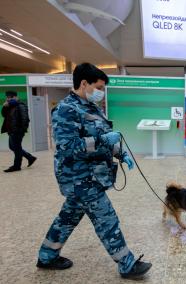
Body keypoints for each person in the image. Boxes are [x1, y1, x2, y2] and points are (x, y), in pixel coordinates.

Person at [36, 63, 152, 279]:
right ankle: (127, 264)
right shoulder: (66, 109)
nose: (101, 92)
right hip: (79, 177)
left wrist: (120, 152)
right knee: (106, 219)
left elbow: (105, 136)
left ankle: (47, 256)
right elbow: (67, 147)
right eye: (99, 87)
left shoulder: (92, 108)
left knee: (67, 217)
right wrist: (100, 140)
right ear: (84, 83)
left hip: (93, 175)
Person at [1, 90, 37, 172]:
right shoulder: (10, 106)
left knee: (16, 148)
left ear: (15, 97)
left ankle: (17, 166)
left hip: (17, 131)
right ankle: (30, 157)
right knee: (13, 147)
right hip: (11, 130)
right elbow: (4, 115)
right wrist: (4, 106)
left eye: (10, 97)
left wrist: (21, 130)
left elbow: (25, 119)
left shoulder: (20, 105)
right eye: (7, 98)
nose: (8, 99)